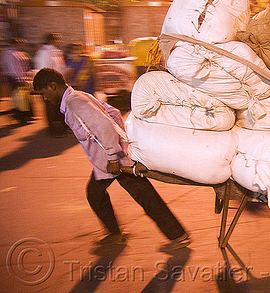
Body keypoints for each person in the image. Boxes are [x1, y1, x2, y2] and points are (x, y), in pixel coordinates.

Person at [33, 68, 190, 250]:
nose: (45, 99)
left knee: (137, 195)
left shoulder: (74, 102)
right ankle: (130, 234)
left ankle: (174, 234)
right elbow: (113, 112)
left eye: (44, 94)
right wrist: (120, 141)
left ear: (52, 86)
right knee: (104, 194)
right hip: (108, 161)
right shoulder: (78, 97)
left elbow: (103, 124)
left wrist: (112, 154)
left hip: (114, 162)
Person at [34, 33, 69, 136]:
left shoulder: (55, 51)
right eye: (57, 39)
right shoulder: (44, 52)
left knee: (59, 106)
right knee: (51, 107)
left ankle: (63, 127)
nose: (59, 41)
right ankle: (53, 130)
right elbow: (44, 69)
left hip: (57, 83)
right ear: (52, 40)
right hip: (49, 84)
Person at [0, 37, 34, 125]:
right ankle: (21, 118)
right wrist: (19, 77)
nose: (22, 45)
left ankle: (25, 116)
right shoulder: (10, 53)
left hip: (19, 77)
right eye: (21, 43)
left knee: (24, 98)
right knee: (19, 99)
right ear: (16, 43)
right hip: (15, 78)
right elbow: (12, 68)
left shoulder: (18, 52)